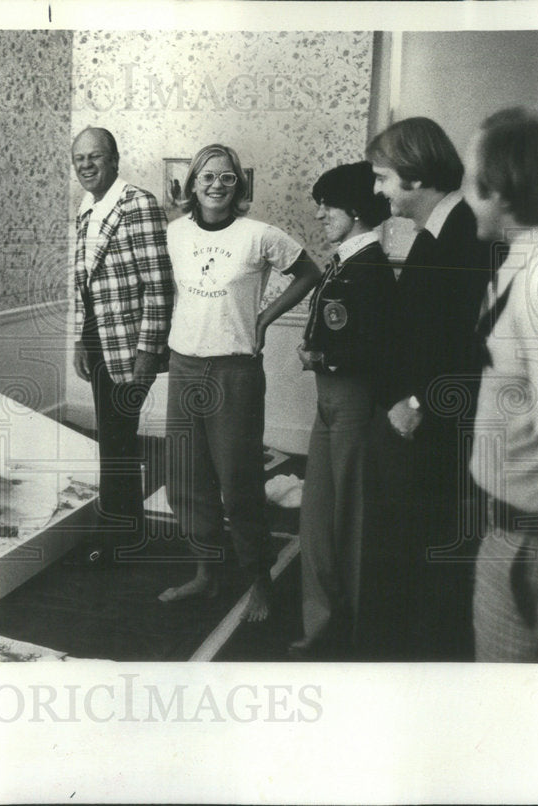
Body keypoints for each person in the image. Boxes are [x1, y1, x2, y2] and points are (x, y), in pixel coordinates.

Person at [159, 143, 319, 621]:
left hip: (234, 372)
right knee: (187, 480)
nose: (216, 185)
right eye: (207, 176)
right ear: (192, 183)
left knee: (239, 483)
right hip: (184, 365)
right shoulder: (175, 233)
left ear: (240, 185)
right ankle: (206, 574)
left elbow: (310, 272)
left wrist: (266, 316)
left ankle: (260, 581)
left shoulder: (259, 235)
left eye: (227, 178)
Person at [363, 117, 497, 659]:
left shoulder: (466, 235)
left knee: (436, 553)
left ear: (416, 177)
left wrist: (418, 402)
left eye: (382, 177)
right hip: (419, 427)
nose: (377, 190)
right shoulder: (438, 233)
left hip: (439, 429)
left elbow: (473, 344)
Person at [291, 162, 395, 659]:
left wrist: (325, 355)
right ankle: (321, 626)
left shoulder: (371, 264)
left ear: (355, 210)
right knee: (318, 514)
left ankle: (354, 636)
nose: (320, 214)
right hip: (329, 398)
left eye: (328, 205)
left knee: (349, 518)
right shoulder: (345, 260)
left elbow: (382, 347)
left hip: (352, 400)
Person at [462, 107, 538, 661]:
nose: (467, 191)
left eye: (473, 178)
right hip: (513, 535)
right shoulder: (523, 259)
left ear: (501, 186)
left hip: (535, 547)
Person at [71, 127, 175, 564]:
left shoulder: (138, 204)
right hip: (98, 342)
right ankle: (121, 532)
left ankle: (117, 539)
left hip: (129, 348)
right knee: (112, 441)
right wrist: (81, 339)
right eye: (79, 159)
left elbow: (159, 286)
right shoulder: (87, 207)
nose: (86, 166)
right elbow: (85, 285)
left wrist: (148, 354)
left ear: (115, 159)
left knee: (118, 442)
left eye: (95, 157)